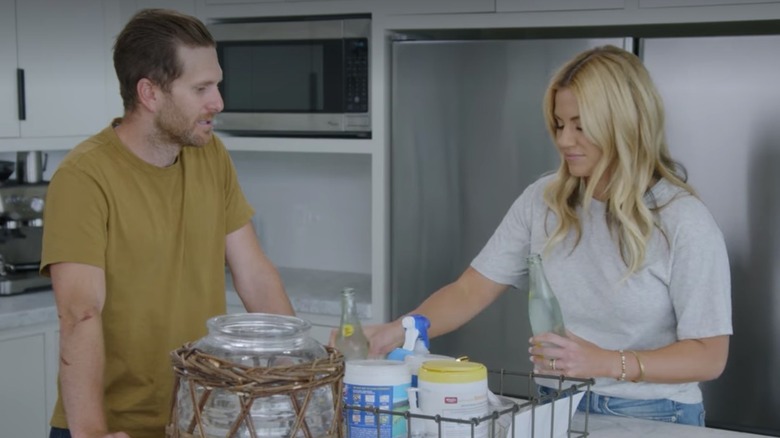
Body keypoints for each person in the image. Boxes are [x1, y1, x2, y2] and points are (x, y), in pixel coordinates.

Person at [362, 45, 732, 426]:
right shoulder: (543, 201)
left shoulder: (683, 221)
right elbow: (469, 291)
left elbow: (709, 355)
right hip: (553, 404)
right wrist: (399, 329)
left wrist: (604, 362)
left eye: (580, 126)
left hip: (655, 414)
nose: (564, 140)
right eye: (559, 124)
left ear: (623, 124)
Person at [41, 9, 295, 438]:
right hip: (111, 426)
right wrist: (92, 433)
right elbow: (79, 313)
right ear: (150, 93)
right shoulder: (84, 177)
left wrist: (301, 373)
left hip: (196, 418)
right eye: (201, 88)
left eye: (217, 84)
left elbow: (255, 275)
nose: (218, 102)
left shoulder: (210, 156)